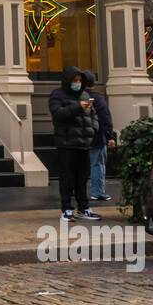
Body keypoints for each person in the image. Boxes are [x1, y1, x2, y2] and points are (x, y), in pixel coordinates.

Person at [48, 65, 102, 221]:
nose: (77, 83)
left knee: (82, 178)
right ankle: (66, 209)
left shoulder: (85, 95)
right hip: (66, 143)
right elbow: (58, 114)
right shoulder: (57, 95)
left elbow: (93, 115)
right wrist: (77, 107)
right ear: (67, 80)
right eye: (75, 80)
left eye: (79, 80)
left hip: (84, 144)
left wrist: (94, 129)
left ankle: (83, 208)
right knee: (67, 178)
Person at [81, 70, 116, 202]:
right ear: (93, 83)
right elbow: (105, 117)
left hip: (78, 137)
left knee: (79, 165)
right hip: (96, 137)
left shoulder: (75, 97)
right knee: (97, 164)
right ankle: (97, 192)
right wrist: (110, 136)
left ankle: (76, 191)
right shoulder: (98, 98)